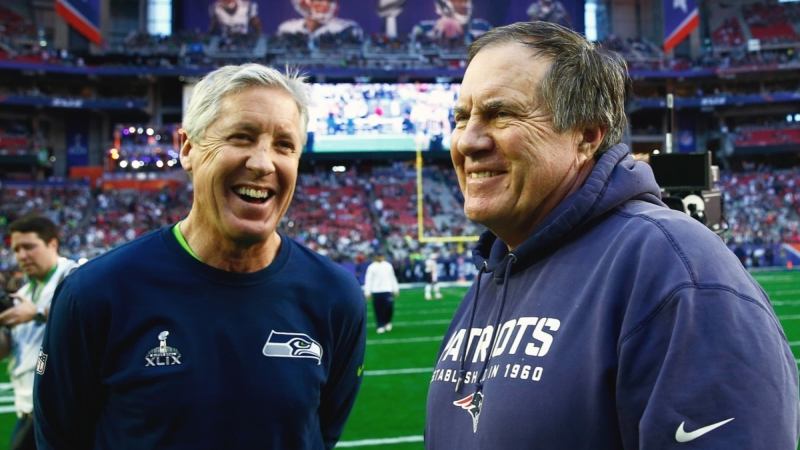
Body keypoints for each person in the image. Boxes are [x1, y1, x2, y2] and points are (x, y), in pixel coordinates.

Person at [425, 21, 799, 449]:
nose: (467, 141)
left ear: (586, 135)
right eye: (461, 117)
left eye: (501, 114)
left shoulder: (674, 269)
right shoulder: (494, 275)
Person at [34, 64, 367, 450]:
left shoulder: (336, 296)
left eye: (284, 146)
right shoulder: (95, 293)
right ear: (188, 149)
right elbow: (61, 438)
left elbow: (321, 432)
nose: (263, 163)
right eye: (241, 137)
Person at [0, 216, 78, 450]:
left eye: (29, 246)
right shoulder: (24, 292)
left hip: (58, 405)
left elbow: (89, 314)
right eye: (16, 249)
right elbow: (5, 350)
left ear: (52, 244)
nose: (22, 256)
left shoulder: (76, 274)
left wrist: (37, 313)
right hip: (26, 404)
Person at [277, 0, 362, 39]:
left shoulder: (347, 29)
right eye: (319, 0)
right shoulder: (287, 30)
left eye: (330, 1)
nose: (325, 4)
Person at [363, 252, 399, 334]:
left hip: (387, 289)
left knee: (389, 307)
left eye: (381, 256)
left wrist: (396, 289)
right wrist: (367, 292)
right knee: (378, 309)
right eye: (378, 256)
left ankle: (388, 321)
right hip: (376, 291)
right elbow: (368, 280)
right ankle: (380, 325)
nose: (380, 257)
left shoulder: (388, 266)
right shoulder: (371, 267)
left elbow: (392, 277)